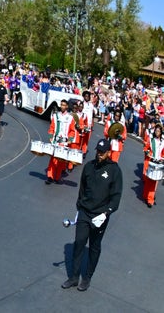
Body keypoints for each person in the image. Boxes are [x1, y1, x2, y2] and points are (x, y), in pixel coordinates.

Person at [61, 138, 122, 292]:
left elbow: (116, 197)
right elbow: (82, 188)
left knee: (94, 246)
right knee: (79, 242)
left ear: (109, 153)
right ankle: (74, 277)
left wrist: (106, 213)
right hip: (85, 212)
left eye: (103, 152)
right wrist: (79, 206)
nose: (99, 154)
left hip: (100, 216)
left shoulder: (115, 171)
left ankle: (87, 278)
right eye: (98, 151)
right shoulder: (88, 167)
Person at [46, 99, 78, 184]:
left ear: (67, 106)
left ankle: (57, 177)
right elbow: (52, 127)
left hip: (64, 142)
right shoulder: (55, 116)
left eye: (64, 105)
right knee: (53, 159)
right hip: (55, 140)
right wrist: (50, 136)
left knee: (61, 160)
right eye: (61, 105)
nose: (62, 106)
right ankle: (50, 176)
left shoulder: (71, 118)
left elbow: (72, 130)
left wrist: (70, 140)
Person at [141, 124, 164, 208]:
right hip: (151, 161)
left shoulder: (163, 142)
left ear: (161, 132)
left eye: (159, 131)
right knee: (149, 180)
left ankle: (150, 200)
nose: (157, 132)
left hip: (158, 163)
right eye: (156, 131)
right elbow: (145, 148)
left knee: (154, 182)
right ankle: (145, 195)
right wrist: (147, 152)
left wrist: (162, 159)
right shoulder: (151, 140)